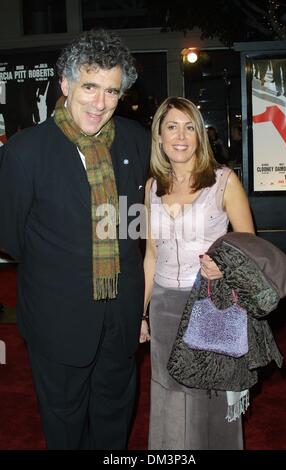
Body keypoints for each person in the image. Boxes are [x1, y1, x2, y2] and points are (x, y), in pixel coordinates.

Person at [0, 29, 150, 449]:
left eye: (111, 91)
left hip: (121, 317)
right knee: (64, 428)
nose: (99, 102)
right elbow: (11, 239)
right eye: (89, 86)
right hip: (57, 321)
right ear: (65, 85)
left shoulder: (135, 141)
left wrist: (139, 311)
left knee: (114, 420)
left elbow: (132, 227)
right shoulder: (25, 152)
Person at [140, 96, 255, 450]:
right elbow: (151, 256)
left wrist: (223, 266)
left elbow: (249, 247)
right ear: (159, 136)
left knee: (212, 396)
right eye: (172, 126)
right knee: (170, 398)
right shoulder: (150, 188)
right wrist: (141, 314)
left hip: (210, 305)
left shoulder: (224, 181)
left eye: (190, 127)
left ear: (200, 135)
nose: (181, 135)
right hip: (164, 308)